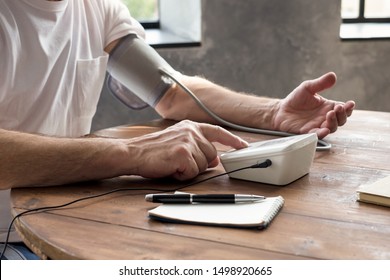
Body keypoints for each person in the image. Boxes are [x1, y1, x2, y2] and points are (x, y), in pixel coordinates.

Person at [0, 0, 355, 259]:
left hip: (60, 222)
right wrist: (132, 154)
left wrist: (273, 112)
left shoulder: (95, 7)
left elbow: (170, 92)